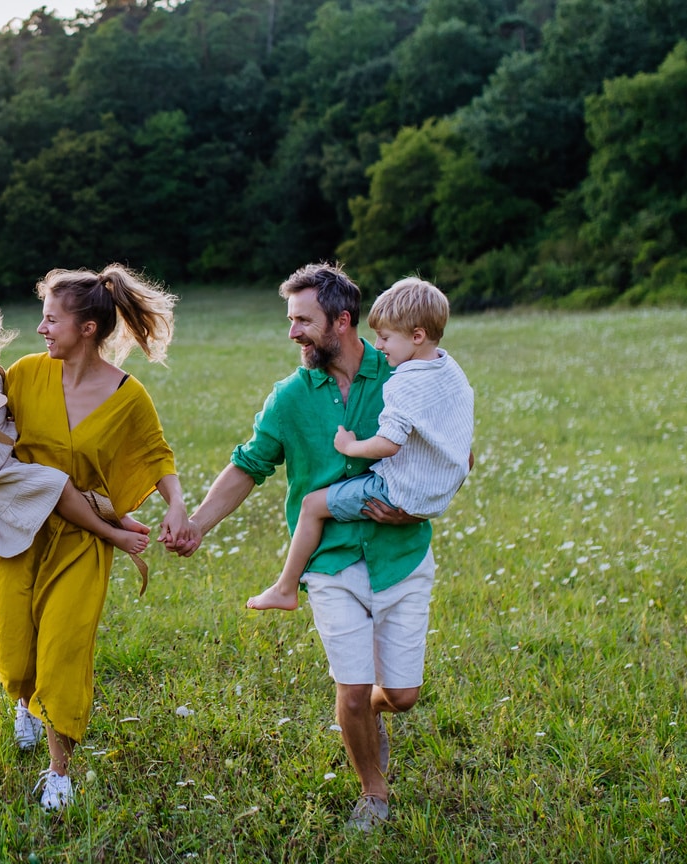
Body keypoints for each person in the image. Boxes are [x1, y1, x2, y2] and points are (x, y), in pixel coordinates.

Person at [166, 262, 452, 831]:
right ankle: (374, 793)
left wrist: (417, 505)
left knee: (401, 694)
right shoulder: (291, 397)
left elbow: (455, 449)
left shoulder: (406, 375)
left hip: (402, 555)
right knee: (349, 693)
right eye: (290, 319)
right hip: (329, 564)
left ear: (342, 321)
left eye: (303, 320)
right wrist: (197, 524)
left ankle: (371, 715)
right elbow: (249, 465)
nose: (292, 332)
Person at [0, 265, 194, 811]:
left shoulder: (127, 395)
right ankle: (23, 700)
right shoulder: (21, 375)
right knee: (18, 655)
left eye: (50, 320)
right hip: (15, 526)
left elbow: (157, 455)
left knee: (64, 648)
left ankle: (59, 771)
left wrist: (178, 503)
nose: (41, 329)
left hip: (82, 538)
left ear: (86, 328)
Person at [246, 277, 473, 612]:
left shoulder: (398, 381)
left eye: (385, 337)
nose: (379, 345)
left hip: (398, 507)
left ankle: (285, 587)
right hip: (430, 494)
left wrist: (351, 447)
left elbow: (390, 444)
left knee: (312, 505)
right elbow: (463, 454)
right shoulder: (449, 372)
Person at [0, 292, 152, 560]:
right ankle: (111, 533)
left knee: (63, 470)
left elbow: (14, 408)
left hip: (4, 449)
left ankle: (116, 514)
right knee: (58, 484)